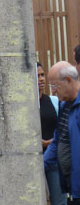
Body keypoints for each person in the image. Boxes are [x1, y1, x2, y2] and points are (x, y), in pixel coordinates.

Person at [44, 61, 80, 204]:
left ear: (69, 80)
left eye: (54, 85)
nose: (53, 91)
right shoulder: (65, 106)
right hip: (72, 188)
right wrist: (40, 166)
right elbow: (57, 141)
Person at [38, 62, 66, 205]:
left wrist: (48, 143)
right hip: (32, 160)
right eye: (37, 76)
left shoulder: (54, 101)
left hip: (54, 159)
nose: (41, 79)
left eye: (42, 75)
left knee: (59, 201)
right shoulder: (25, 106)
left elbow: (63, 131)